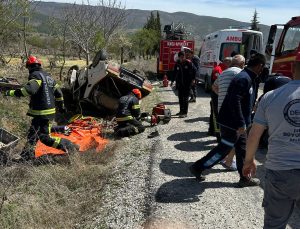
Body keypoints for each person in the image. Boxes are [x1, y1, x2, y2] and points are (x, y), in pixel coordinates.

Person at [190, 53, 266, 187]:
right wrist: (241, 122)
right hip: (233, 123)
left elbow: (242, 100)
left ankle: (244, 178)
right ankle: (198, 167)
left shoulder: (248, 77)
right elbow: (233, 100)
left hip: (236, 122)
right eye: (262, 67)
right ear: (260, 66)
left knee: (241, 150)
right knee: (224, 149)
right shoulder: (243, 78)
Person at [243, 52, 300, 229]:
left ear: (292, 68)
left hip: (280, 171)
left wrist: (248, 160)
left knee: (275, 223)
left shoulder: (271, 97)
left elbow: (254, 135)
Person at [4, 55, 76, 161]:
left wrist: (9, 92)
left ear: (29, 66)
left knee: (45, 138)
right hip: (46, 112)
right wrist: (61, 107)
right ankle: (27, 156)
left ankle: (69, 146)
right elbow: (59, 93)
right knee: (32, 135)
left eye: (28, 67)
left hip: (42, 114)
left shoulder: (34, 75)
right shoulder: (48, 77)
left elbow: (29, 90)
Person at [212, 54, 245, 170]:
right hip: (234, 111)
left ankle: (225, 158)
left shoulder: (223, 73)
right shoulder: (240, 74)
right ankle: (229, 161)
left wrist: (222, 95)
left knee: (225, 137)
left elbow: (214, 87)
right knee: (236, 137)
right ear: (242, 64)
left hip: (222, 109)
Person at [208, 57, 232, 140]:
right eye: (231, 63)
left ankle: (211, 130)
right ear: (227, 62)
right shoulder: (218, 70)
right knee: (216, 115)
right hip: (216, 96)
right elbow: (216, 85)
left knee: (214, 114)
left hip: (217, 96)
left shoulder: (223, 69)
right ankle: (217, 134)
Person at [173, 51, 196, 118]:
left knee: (185, 98)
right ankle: (181, 111)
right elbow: (175, 72)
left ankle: (185, 113)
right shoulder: (177, 63)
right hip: (180, 83)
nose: (182, 58)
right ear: (179, 57)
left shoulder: (189, 63)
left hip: (187, 83)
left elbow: (194, 70)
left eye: (183, 57)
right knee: (180, 98)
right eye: (180, 57)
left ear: (184, 57)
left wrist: (193, 79)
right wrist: (172, 80)